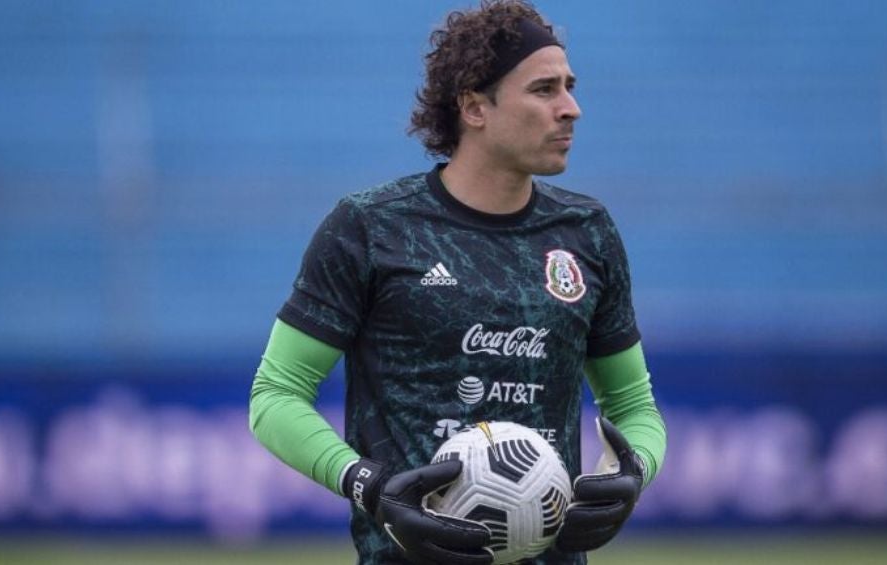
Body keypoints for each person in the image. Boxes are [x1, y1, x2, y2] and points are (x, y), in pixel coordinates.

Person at [249, 1, 667, 563]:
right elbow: (275, 397)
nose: (571, 109)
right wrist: (368, 486)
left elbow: (633, 405)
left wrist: (633, 470)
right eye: (544, 90)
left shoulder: (586, 233)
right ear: (474, 107)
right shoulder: (372, 228)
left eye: (569, 87)